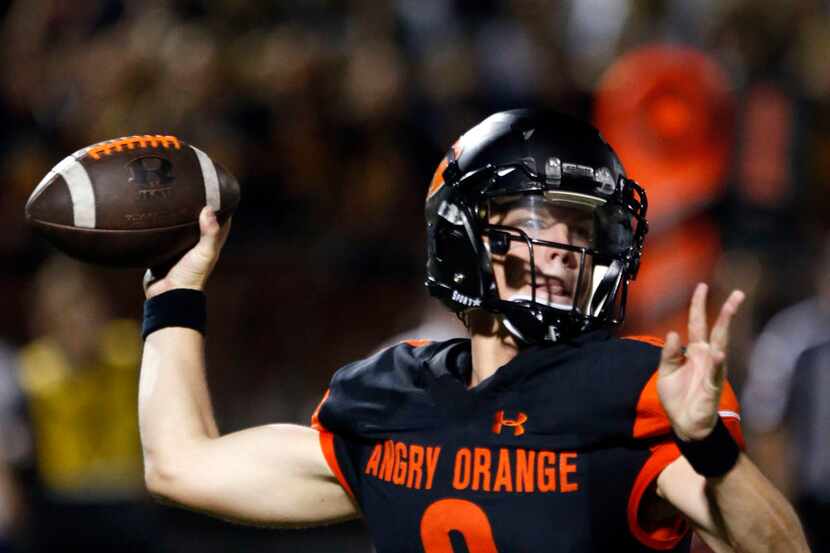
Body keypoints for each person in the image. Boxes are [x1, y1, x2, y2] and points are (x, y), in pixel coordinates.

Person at [138, 110, 808, 552]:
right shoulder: (392, 396)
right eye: (545, 222)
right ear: (464, 237)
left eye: (585, 232)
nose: (568, 251)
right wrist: (175, 292)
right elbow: (181, 464)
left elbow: (780, 550)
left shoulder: (629, 390)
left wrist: (710, 448)